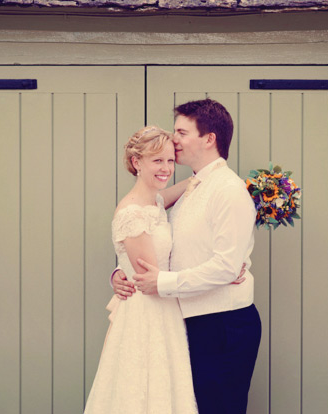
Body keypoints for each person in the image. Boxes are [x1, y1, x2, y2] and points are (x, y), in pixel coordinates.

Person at [113, 99, 262, 414]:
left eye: (181, 132)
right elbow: (155, 238)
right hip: (189, 323)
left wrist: (162, 282)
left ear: (209, 138)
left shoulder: (228, 190)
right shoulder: (191, 187)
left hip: (222, 324)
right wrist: (122, 271)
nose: (174, 138)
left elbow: (226, 266)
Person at [84, 126, 198, 414]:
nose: (167, 168)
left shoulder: (155, 200)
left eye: (171, 160)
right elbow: (150, 277)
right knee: (142, 388)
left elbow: (185, 187)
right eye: (157, 160)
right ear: (137, 163)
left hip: (164, 309)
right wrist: (218, 271)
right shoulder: (131, 213)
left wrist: (206, 178)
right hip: (147, 312)